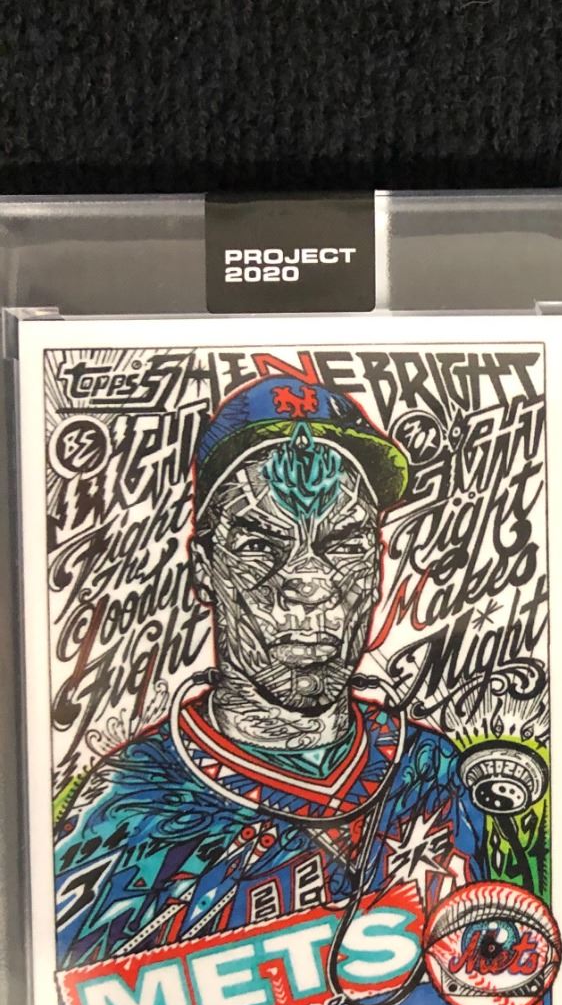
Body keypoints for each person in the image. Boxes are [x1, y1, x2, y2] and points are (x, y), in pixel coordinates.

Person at [54, 373, 484, 973]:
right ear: (204, 568)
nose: (310, 584)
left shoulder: (433, 771)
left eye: (344, 544)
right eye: (261, 546)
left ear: (377, 564)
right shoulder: (126, 806)